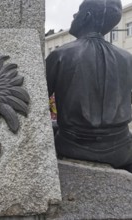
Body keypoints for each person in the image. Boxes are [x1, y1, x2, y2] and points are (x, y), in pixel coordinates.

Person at [46, 0, 132, 172]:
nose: (74, 15)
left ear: (87, 16)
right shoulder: (128, 59)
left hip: (74, 146)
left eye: (78, 11)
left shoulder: (60, 55)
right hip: (122, 149)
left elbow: (36, 109)